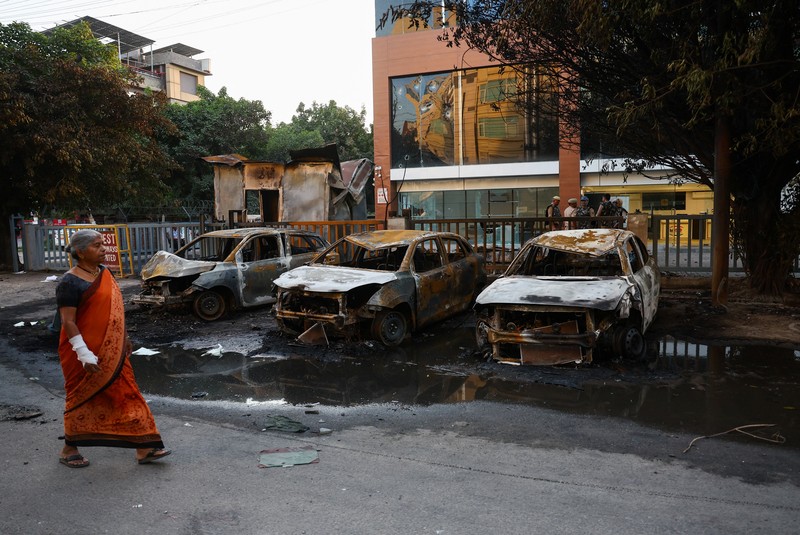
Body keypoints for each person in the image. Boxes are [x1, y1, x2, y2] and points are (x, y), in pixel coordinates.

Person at [55, 229, 170, 468]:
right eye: (97, 246)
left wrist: (125, 336)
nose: (104, 249)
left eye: (102, 244)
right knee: (80, 398)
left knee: (128, 394)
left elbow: (115, 310)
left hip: (113, 351)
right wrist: (84, 353)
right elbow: (68, 321)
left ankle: (144, 447)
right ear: (80, 252)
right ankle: (69, 448)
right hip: (82, 354)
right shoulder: (69, 282)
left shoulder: (105, 273)